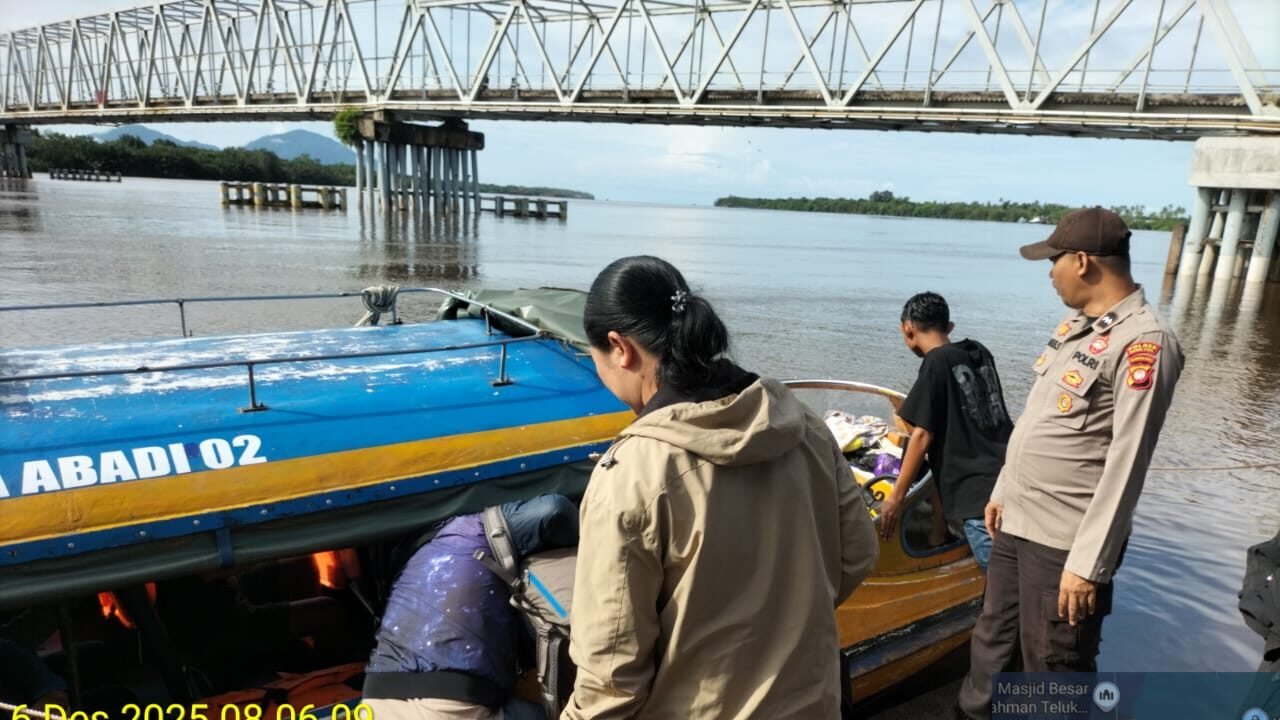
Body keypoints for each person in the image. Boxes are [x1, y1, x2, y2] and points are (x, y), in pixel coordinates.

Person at [562, 255, 879, 719]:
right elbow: (857, 554)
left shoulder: (631, 472)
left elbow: (611, 679)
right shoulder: (803, 424)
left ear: (619, 347)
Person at [957, 207, 1184, 719]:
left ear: (1082, 262)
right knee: (992, 645)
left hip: (1065, 542)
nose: (1049, 271)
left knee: (1053, 669)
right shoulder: (1078, 327)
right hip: (1018, 523)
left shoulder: (1144, 343)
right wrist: (1002, 491)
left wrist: (1088, 565)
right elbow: (1041, 420)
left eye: (1053, 260)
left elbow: (1127, 465)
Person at [363, 494, 579, 720]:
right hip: (446, 703)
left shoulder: (407, 566)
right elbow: (555, 510)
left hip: (376, 701)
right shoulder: (469, 530)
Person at [879, 292, 1013, 572]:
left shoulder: (936, 362)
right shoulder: (978, 351)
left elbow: (922, 435)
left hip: (976, 499)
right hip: (1010, 478)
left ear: (908, 328)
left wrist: (896, 498)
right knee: (1018, 577)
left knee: (1008, 588)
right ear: (949, 327)